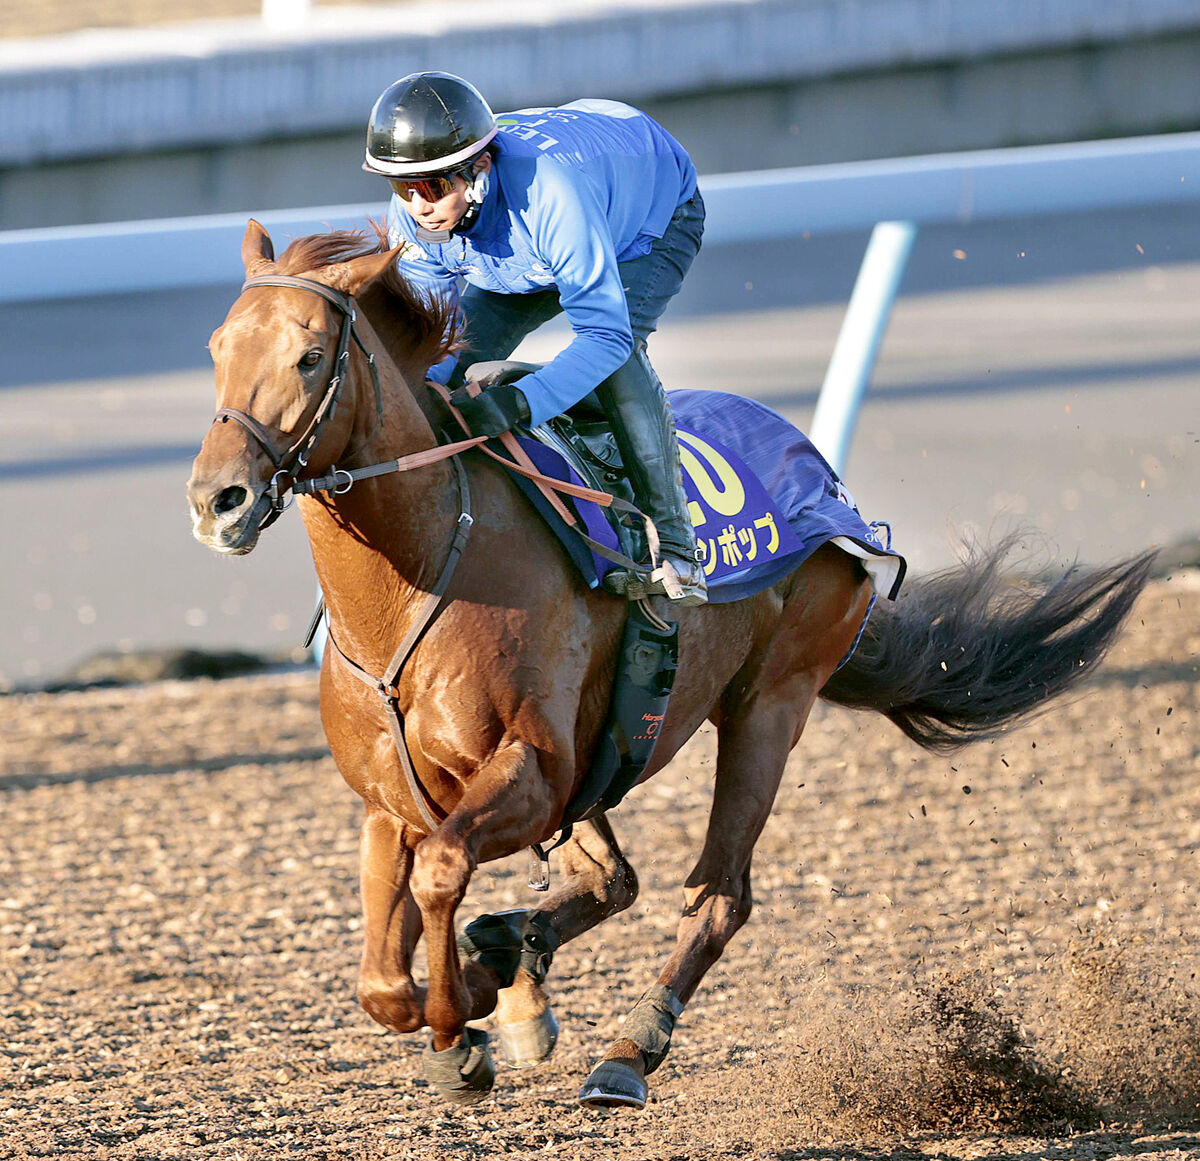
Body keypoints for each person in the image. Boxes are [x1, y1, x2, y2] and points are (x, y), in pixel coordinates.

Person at [363, 71, 707, 606]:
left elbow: (606, 338)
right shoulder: (417, 216)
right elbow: (426, 346)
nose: (417, 206)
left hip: (645, 223)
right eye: (401, 188)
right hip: (533, 241)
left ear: (478, 169)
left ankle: (677, 547)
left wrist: (524, 403)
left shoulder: (552, 197)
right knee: (447, 367)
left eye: (431, 187)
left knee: (617, 361)